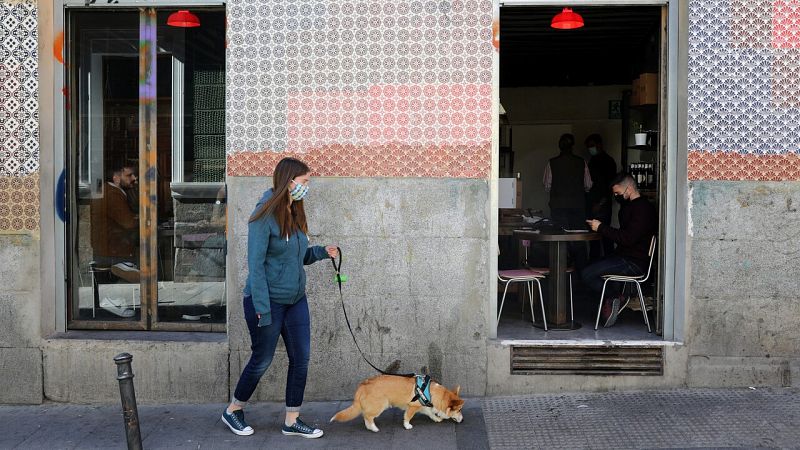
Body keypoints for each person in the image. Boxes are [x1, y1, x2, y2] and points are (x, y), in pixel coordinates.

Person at [221, 157, 338, 439]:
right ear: (289, 182)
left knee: (301, 358)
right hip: (267, 301)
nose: (307, 187)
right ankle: (233, 409)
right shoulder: (263, 216)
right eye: (305, 182)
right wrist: (262, 308)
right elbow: (257, 265)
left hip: (295, 300)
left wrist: (322, 252)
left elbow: (297, 257)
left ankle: (292, 419)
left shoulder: (294, 211)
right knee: (263, 358)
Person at [583, 173, 657, 327]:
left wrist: (601, 227)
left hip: (634, 262)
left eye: (618, 193)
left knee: (587, 274)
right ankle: (614, 298)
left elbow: (628, 238)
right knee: (591, 266)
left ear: (629, 189)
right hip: (625, 257)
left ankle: (614, 296)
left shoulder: (642, 209)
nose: (616, 196)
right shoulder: (630, 206)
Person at [543, 133, 593, 270]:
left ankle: (561, 271)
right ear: (572, 146)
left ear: (559, 146)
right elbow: (588, 185)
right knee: (578, 239)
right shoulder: (581, 162)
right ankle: (582, 273)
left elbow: (547, 185)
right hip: (577, 206)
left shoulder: (552, 163)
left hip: (558, 207)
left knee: (560, 239)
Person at [90, 163, 139, 278]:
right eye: (129, 175)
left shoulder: (109, 190)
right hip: (115, 252)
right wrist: (142, 219)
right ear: (116, 178)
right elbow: (128, 223)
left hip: (110, 248)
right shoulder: (113, 194)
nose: (134, 178)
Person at [585, 134, 617, 260]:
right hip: (594, 203)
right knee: (594, 240)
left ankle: (607, 266)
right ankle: (595, 267)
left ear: (600, 145)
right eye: (588, 147)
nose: (590, 149)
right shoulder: (592, 161)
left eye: (592, 146)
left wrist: (600, 203)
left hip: (602, 204)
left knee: (605, 237)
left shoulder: (608, 162)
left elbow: (610, 186)